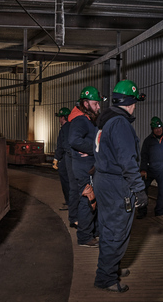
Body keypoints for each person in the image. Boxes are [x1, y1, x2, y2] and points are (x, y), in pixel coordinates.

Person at [93, 79, 148, 293]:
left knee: (108, 227)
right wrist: (139, 190)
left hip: (103, 180)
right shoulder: (120, 124)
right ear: (130, 102)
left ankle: (110, 267)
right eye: (134, 102)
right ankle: (106, 277)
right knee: (117, 231)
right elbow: (128, 161)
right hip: (116, 184)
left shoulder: (105, 120)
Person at [68, 86, 105, 248]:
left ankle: (94, 231)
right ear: (85, 103)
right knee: (88, 200)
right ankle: (84, 237)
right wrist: (93, 149)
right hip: (84, 168)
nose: (98, 107)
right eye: (95, 103)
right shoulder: (80, 120)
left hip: (88, 166)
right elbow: (74, 140)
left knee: (92, 200)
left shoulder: (88, 118)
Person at [138, 116, 163, 218]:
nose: (158, 130)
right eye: (156, 128)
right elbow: (144, 156)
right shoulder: (148, 141)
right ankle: (142, 212)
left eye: (160, 127)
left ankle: (159, 214)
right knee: (142, 188)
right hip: (151, 168)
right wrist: (143, 169)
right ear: (152, 129)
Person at [53, 107, 72, 212]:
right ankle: (72, 201)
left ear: (64, 117)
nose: (59, 120)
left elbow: (61, 146)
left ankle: (69, 202)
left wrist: (56, 158)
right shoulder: (73, 126)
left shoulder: (64, 129)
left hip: (66, 156)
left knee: (65, 178)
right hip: (74, 157)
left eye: (60, 117)